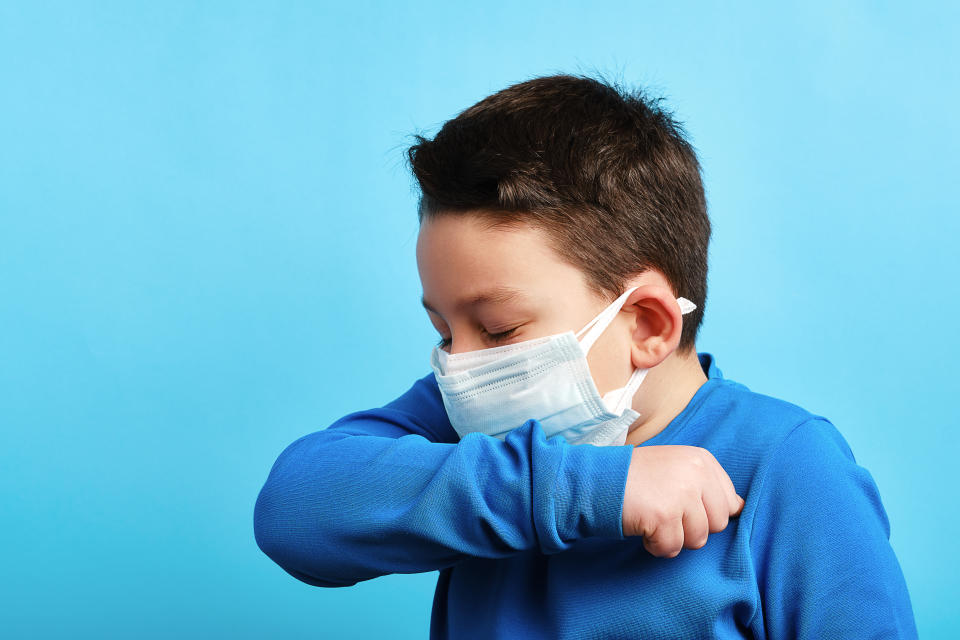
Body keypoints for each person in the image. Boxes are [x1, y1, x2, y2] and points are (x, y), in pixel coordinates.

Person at [253, 73, 917, 639]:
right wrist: (592, 489)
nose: (460, 366)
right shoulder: (474, 433)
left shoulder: (787, 465)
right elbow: (292, 511)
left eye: (498, 328)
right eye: (443, 328)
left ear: (647, 324)